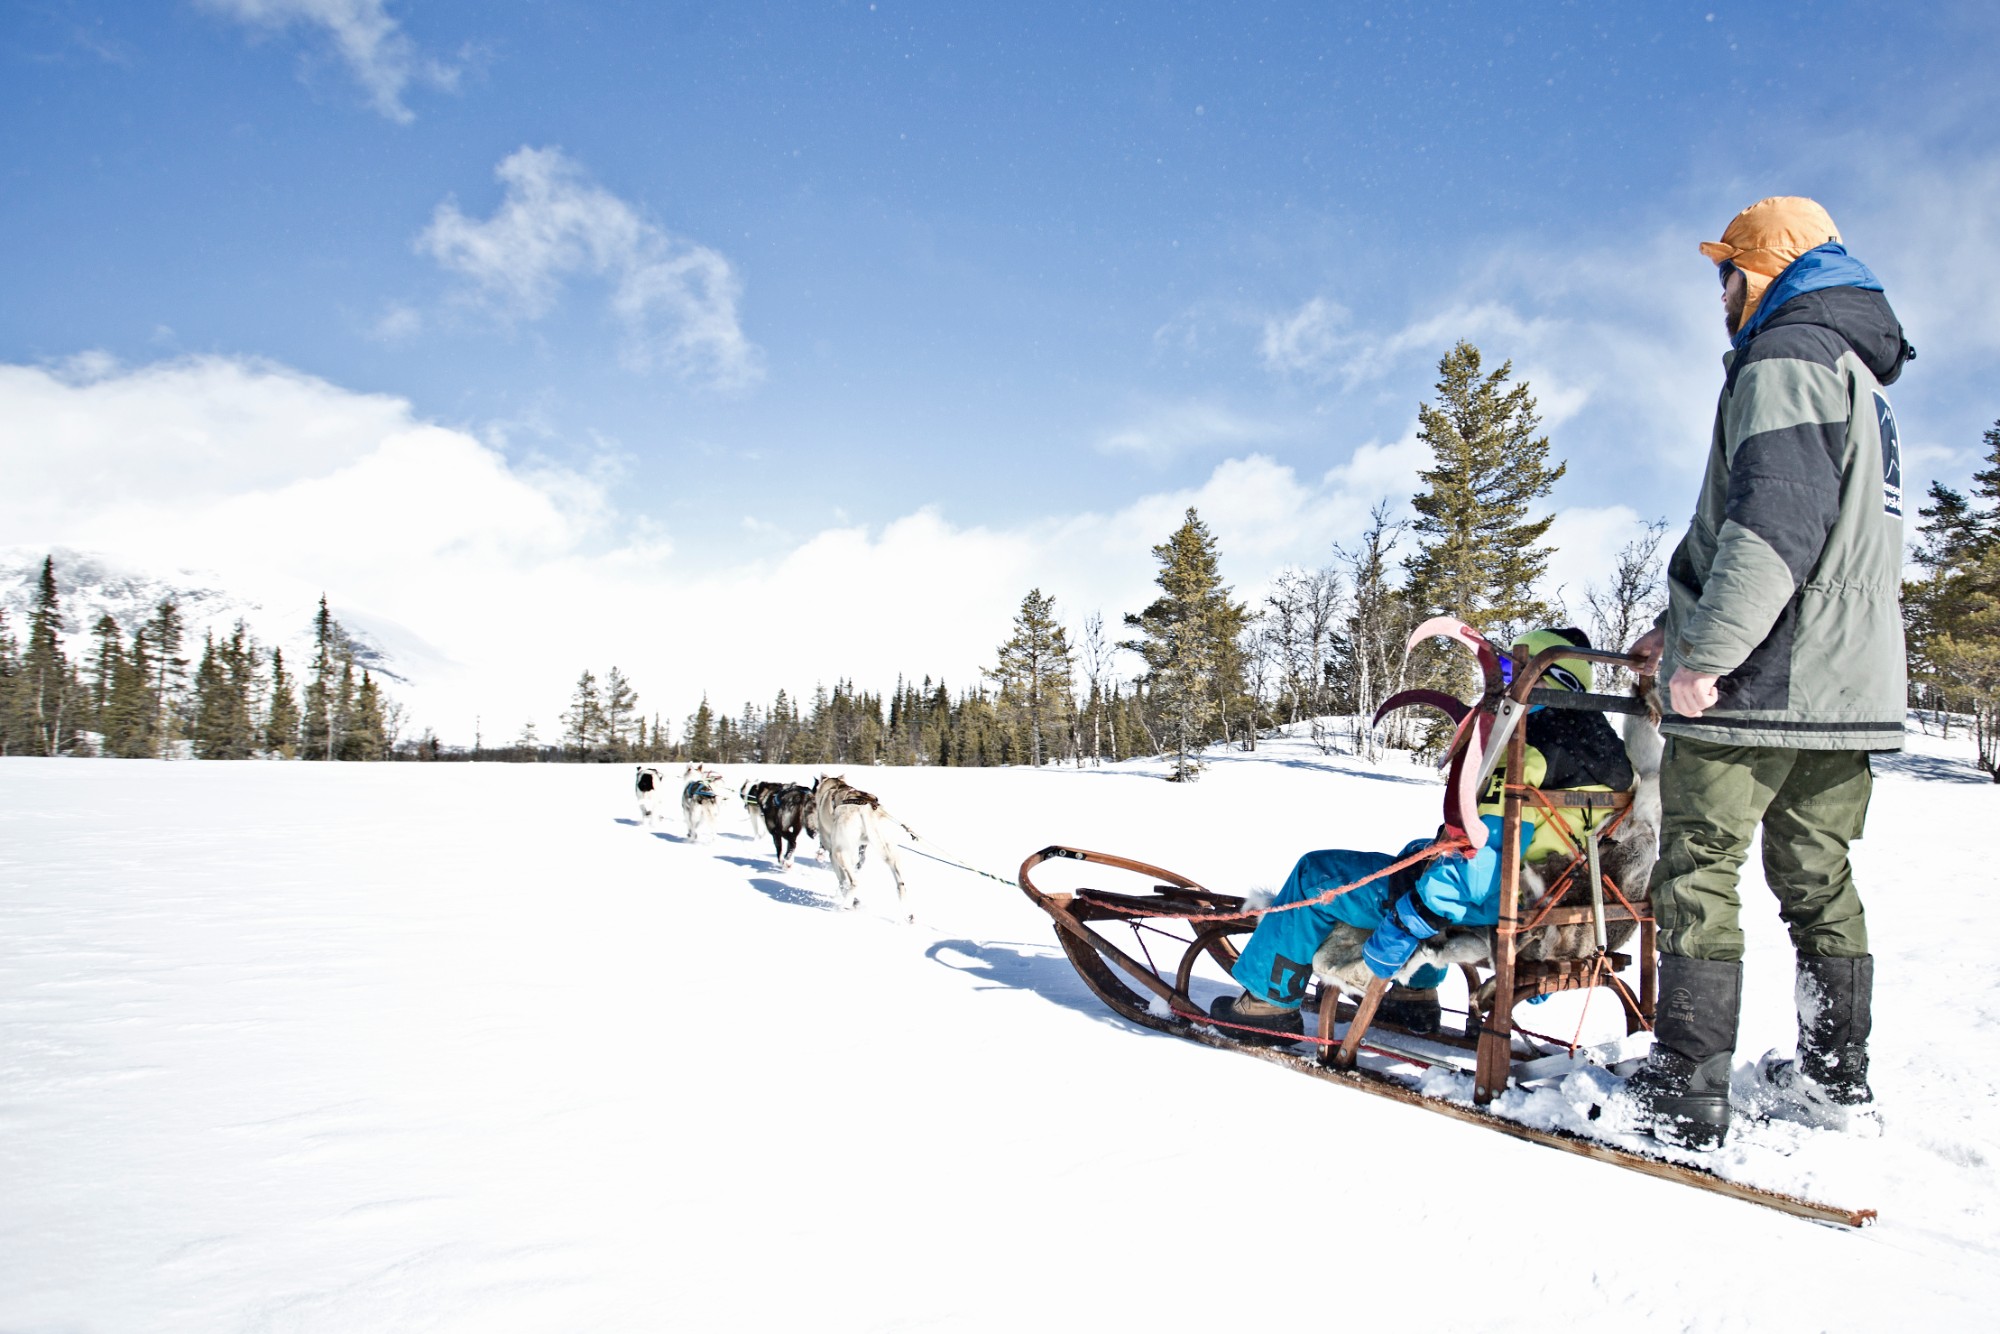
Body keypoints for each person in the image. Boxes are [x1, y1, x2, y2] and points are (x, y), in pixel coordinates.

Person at [1616, 197, 1912, 1149]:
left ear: (1765, 273)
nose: (1721, 293)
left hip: (1764, 680)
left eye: (1727, 273)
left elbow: (1774, 527)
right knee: (1818, 876)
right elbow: (1806, 529)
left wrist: (1707, 656)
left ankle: (1686, 1089)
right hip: (1844, 683)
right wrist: (1676, 624)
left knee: (1697, 869)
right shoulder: (1855, 369)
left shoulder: (1785, 357)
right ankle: (1835, 1076)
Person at [1209, 629, 1635, 1044]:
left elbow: (1481, 861)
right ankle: (1415, 995)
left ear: (1540, 677)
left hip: (1503, 908)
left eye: (1511, 668)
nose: (1503, 679)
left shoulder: (1529, 746)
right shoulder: (1614, 756)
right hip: (1562, 908)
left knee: (1317, 873)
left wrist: (1410, 920)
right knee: (1419, 855)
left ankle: (1268, 1003)